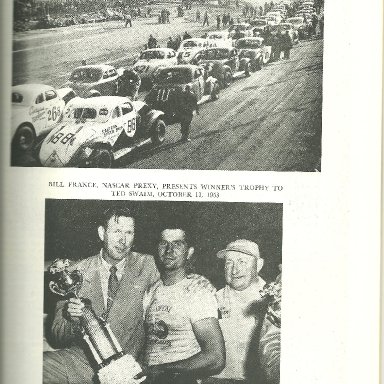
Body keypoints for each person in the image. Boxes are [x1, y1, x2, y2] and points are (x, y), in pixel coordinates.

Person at [43, 207, 160, 384]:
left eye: (129, 232)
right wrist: (71, 317)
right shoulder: (75, 273)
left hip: (129, 365)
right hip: (82, 363)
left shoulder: (150, 266)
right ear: (101, 233)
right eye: (117, 231)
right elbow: (57, 335)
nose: (123, 240)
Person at [142, 226, 226, 384]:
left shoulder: (197, 292)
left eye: (177, 244)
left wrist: (162, 371)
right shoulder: (151, 291)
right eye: (163, 243)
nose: (169, 250)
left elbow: (216, 358)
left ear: (189, 252)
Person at [205, 239, 266, 384]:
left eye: (242, 262)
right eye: (229, 263)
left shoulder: (273, 300)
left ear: (259, 265)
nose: (234, 270)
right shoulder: (213, 298)